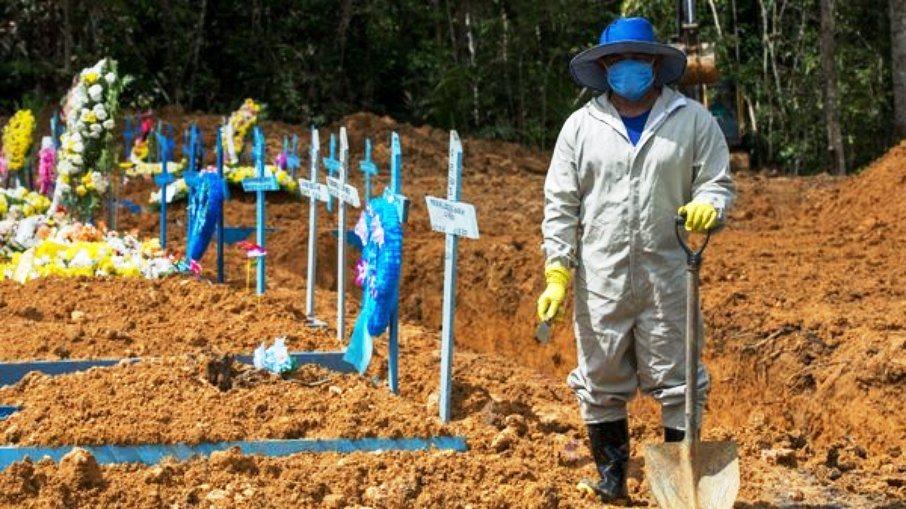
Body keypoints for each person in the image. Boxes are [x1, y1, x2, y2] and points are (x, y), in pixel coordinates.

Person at [536, 17, 735, 502]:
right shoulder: (580, 128)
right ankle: (611, 481)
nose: (628, 68)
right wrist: (557, 274)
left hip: (669, 273)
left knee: (680, 382)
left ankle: (682, 487)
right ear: (604, 67)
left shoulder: (692, 121)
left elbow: (717, 180)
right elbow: (561, 204)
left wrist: (710, 205)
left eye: (638, 59)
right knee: (601, 378)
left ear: (655, 64)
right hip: (599, 277)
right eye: (618, 60)